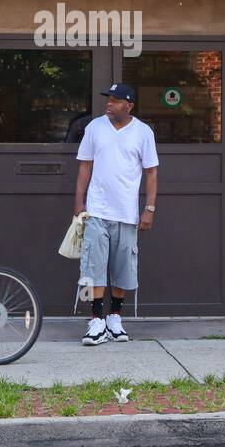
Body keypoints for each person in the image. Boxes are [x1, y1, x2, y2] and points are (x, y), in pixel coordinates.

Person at [73, 82, 159, 345]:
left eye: (116, 100)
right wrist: (79, 203)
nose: (109, 104)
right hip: (97, 210)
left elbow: (151, 172)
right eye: (109, 99)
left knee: (123, 269)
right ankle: (96, 321)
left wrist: (149, 208)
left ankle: (114, 318)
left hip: (127, 213)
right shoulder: (94, 128)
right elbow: (85, 166)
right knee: (93, 266)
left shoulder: (143, 132)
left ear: (129, 105)